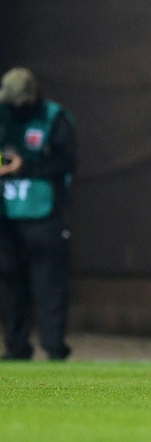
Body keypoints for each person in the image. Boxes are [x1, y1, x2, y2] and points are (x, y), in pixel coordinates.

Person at [0, 67, 76, 360]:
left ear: (32, 97)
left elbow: (66, 162)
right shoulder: (3, 114)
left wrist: (26, 167)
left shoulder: (53, 117)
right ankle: (16, 347)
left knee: (49, 285)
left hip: (44, 215)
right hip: (7, 214)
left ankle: (54, 347)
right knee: (10, 284)